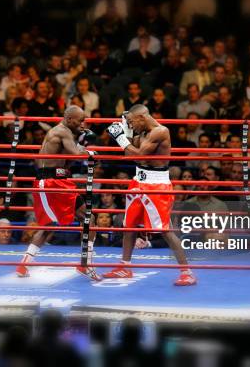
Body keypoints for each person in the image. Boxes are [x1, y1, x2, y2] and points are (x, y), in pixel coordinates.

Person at [104, 104, 197, 286]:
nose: (132, 126)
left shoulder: (160, 131)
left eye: (132, 122)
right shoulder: (143, 133)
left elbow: (138, 155)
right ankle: (125, 267)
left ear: (141, 117)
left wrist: (121, 138)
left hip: (156, 185)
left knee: (165, 230)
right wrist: (127, 133)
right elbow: (131, 152)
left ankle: (187, 272)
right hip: (138, 181)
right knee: (129, 226)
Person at [16, 105, 101, 281]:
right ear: (69, 119)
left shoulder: (66, 133)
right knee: (86, 219)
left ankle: (24, 264)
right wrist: (90, 149)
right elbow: (78, 154)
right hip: (52, 182)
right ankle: (86, 264)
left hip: (57, 181)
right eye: (80, 120)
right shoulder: (62, 131)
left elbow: (67, 161)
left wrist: (82, 141)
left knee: (54, 225)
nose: (82, 123)